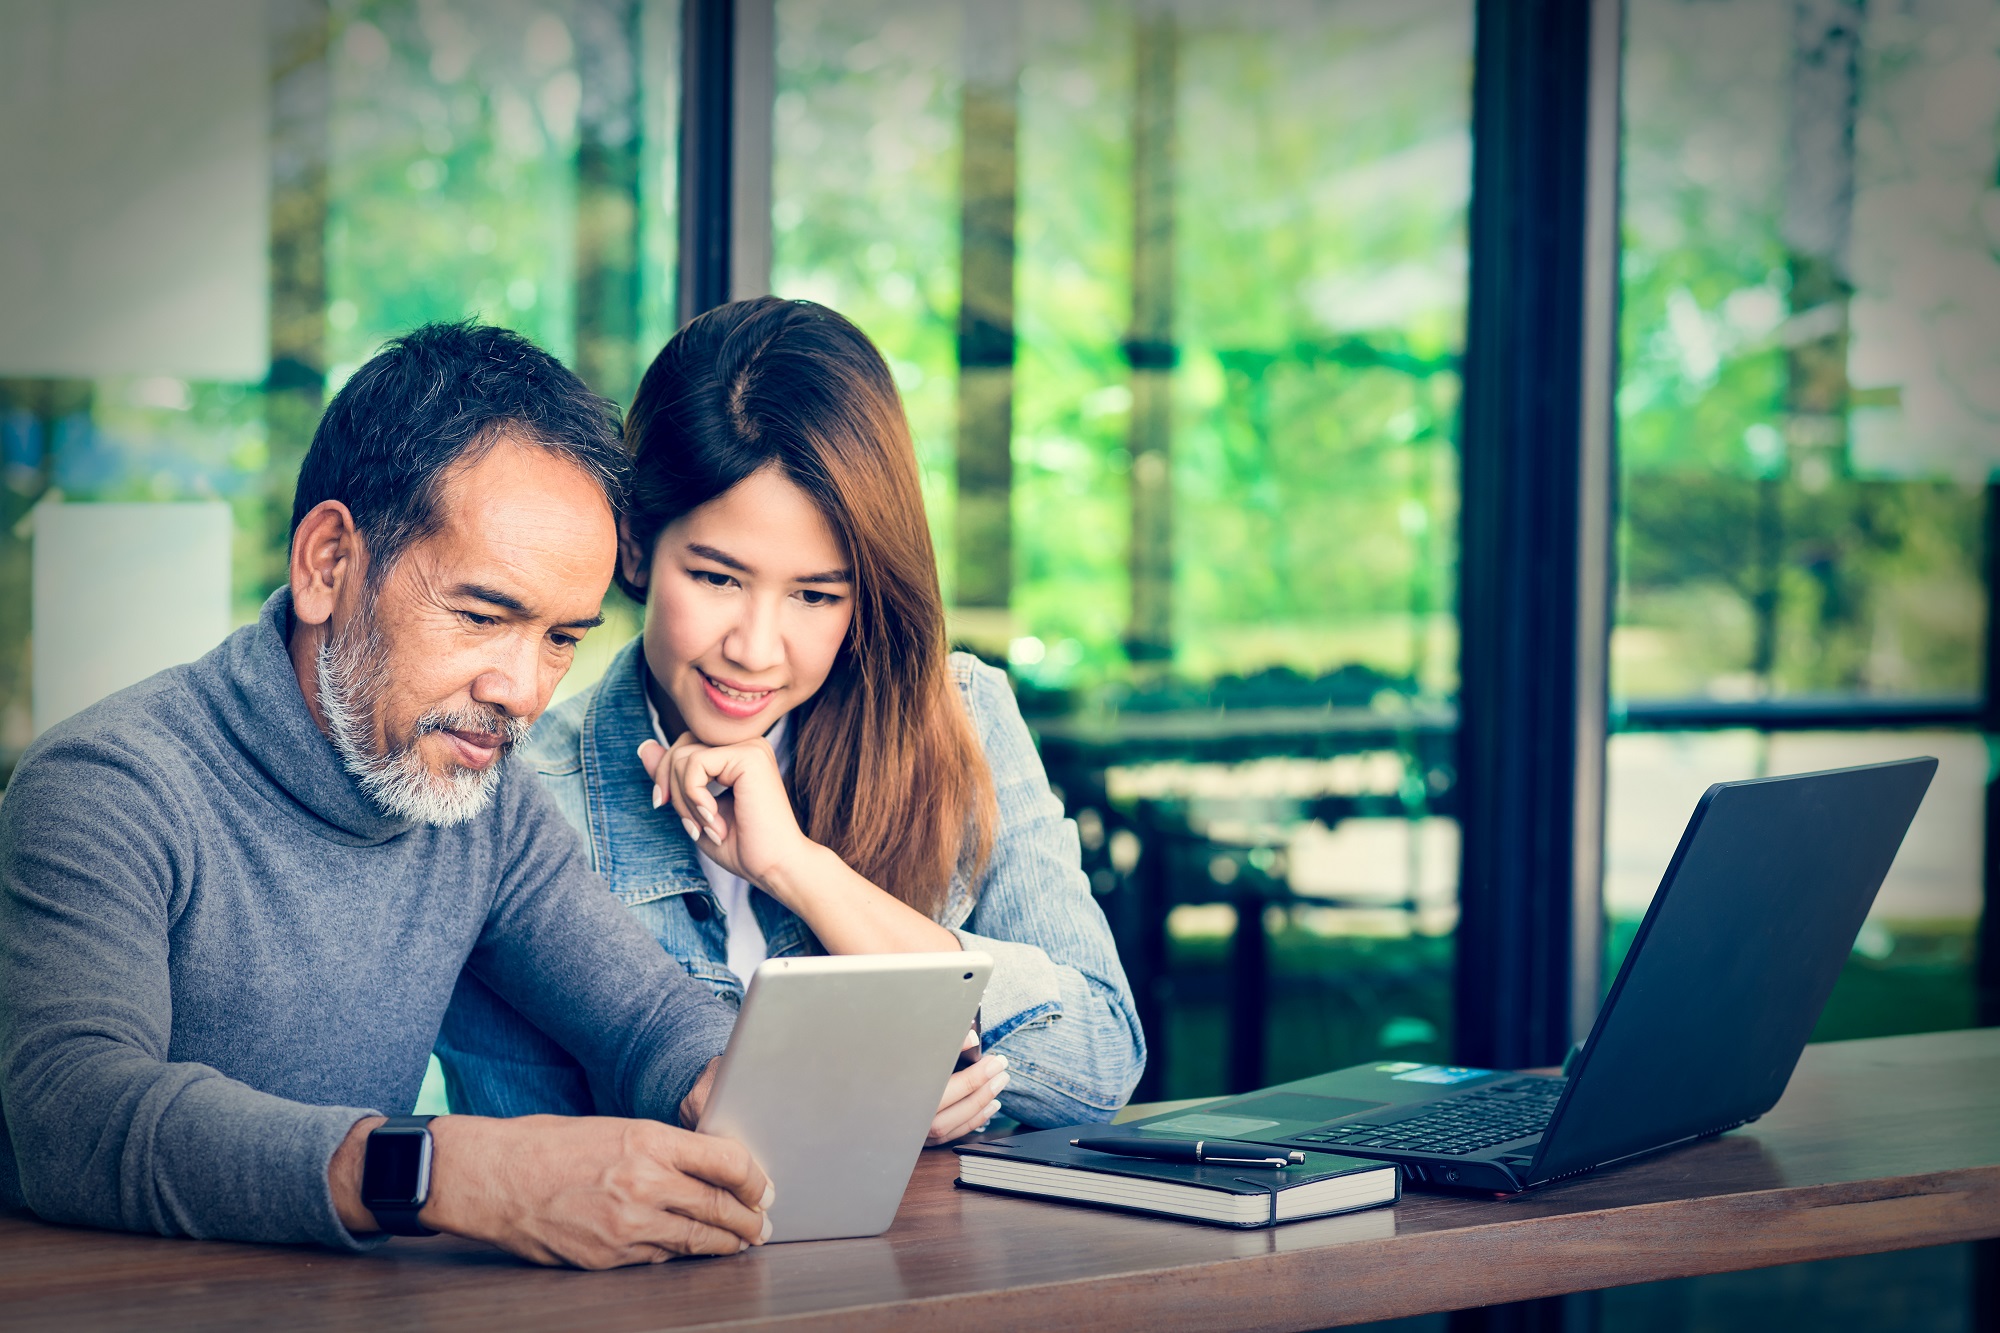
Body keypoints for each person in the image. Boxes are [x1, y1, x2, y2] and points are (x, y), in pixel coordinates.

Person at [0, 323, 774, 1268]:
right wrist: (450, 1172)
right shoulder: (109, 786)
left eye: (563, 637)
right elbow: (76, 1119)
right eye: (484, 615)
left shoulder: (481, 800)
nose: (523, 690)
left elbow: (646, 1014)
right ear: (328, 563)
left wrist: (733, 1081)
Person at [438, 298, 1145, 1139]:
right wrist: (844, 1121)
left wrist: (799, 869)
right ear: (635, 546)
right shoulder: (517, 800)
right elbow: (533, 1158)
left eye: (815, 594)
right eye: (717, 578)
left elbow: (1103, 1060)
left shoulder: (959, 717)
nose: (756, 649)